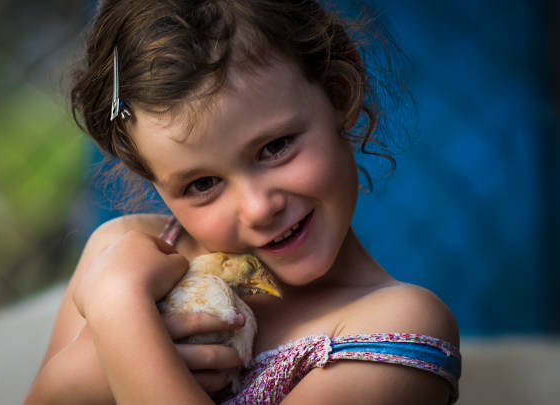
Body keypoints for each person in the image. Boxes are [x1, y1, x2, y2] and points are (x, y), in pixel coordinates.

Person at [26, 0, 461, 403]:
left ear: (339, 91)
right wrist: (77, 374)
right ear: (153, 181)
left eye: (275, 147)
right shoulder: (118, 252)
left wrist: (120, 312)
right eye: (203, 184)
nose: (257, 207)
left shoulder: (395, 328)